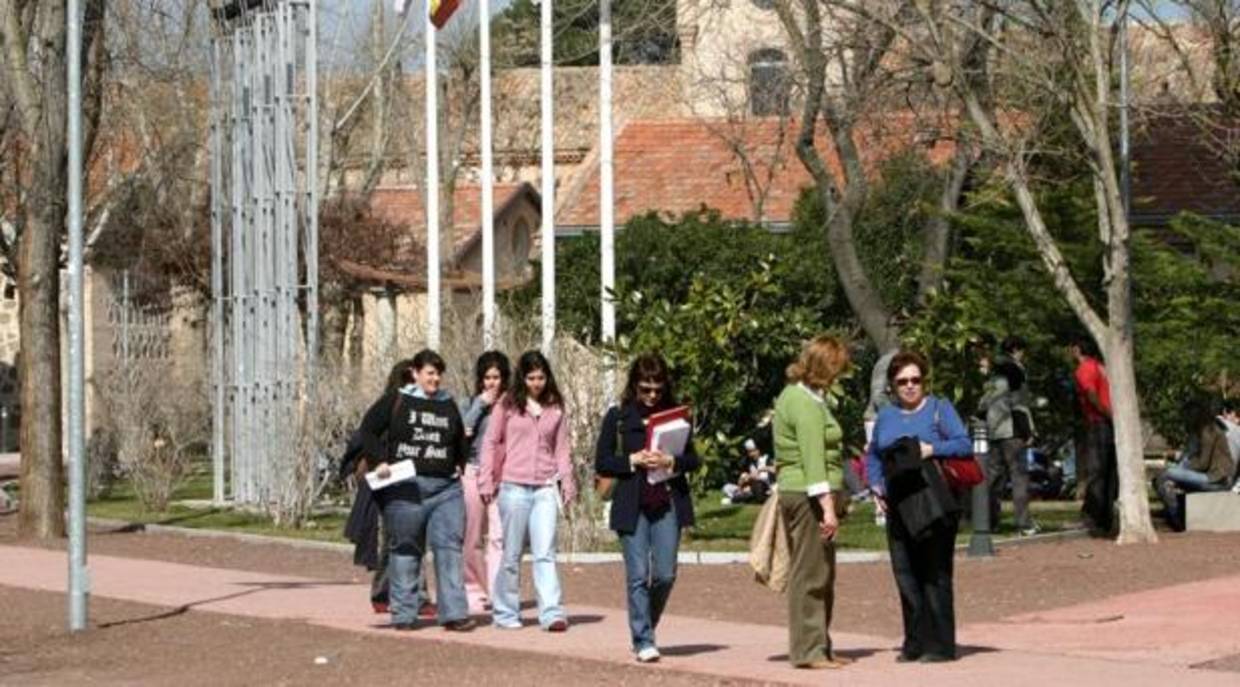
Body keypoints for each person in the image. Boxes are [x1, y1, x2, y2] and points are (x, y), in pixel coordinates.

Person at [866, 350, 972, 663]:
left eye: (916, 380)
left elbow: (963, 444)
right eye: (903, 382)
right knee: (905, 574)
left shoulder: (940, 408)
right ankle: (914, 641)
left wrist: (932, 448)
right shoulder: (885, 416)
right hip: (898, 501)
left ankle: (939, 644)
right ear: (892, 387)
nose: (910, 386)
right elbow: (873, 454)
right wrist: (875, 486)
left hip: (933, 501)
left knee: (935, 572)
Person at [594, 352, 701, 663]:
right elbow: (602, 461)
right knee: (638, 575)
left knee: (666, 574)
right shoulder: (618, 417)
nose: (652, 395)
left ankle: (646, 624)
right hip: (632, 503)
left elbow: (693, 458)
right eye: (645, 388)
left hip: (667, 500)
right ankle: (642, 639)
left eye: (657, 388)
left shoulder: (678, 418)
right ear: (634, 386)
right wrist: (632, 460)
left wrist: (672, 461)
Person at [358, 349, 474, 632]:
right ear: (415, 373)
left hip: (446, 488)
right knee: (407, 550)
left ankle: (455, 613)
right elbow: (368, 429)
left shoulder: (447, 403)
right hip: (406, 488)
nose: (435, 379)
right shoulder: (397, 400)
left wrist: (460, 461)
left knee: (449, 549)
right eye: (429, 373)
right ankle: (404, 613)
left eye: (438, 373)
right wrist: (379, 460)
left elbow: (458, 438)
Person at [478, 350, 576, 632]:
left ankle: (551, 612)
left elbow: (561, 448)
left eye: (541, 377)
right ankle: (506, 612)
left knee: (545, 551)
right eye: (531, 378)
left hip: (544, 487)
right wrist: (487, 480)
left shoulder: (555, 407)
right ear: (522, 378)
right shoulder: (507, 405)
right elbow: (491, 442)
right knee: (511, 553)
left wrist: (567, 482)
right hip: (513, 486)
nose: (537, 383)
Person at [772, 335, 852, 670]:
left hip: (805, 492)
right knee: (811, 573)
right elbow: (813, 458)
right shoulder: (803, 403)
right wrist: (828, 507)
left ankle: (820, 643)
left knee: (821, 572)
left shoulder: (803, 397)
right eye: (837, 367)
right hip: (808, 496)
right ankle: (808, 650)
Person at [459, 351, 510, 614]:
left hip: (503, 475)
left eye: (497, 377)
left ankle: (497, 590)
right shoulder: (469, 403)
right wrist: (480, 405)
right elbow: (461, 431)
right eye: (488, 378)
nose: (492, 383)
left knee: (499, 537)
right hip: (473, 471)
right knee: (473, 535)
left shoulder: (512, 406)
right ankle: (474, 590)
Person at [977, 335, 1038, 535]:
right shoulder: (1016, 371)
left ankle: (988, 521)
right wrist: (1028, 430)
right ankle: (1024, 523)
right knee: (1019, 477)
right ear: (1016, 350)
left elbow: (984, 403)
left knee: (993, 479)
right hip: (1013, 431)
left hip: (994, 431)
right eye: (1022, 351)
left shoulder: (992, 374)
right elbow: (1019, 404)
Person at [1153, 403, 1238, 530]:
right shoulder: (1203, 431)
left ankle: (1176, 517)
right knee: (1164, 478)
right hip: (1213, 477)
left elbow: (1202, 463)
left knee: (1166, 473)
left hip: (1216, 479)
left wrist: (1183, 468)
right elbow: (1191, 456)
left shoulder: (1208, 431)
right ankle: (1173, 513)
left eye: (1187, 416)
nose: (1185, 420)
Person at [1069, 337, 1116, 535]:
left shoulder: (1085, 369)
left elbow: (1091, 394)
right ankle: (1104, 517)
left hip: (1099, 422)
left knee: (1096, 471)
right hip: (1107, 422)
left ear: (1077, 348)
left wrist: (1106, 415)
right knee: (1107, 471)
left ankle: (1092, 517)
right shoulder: (1100, 367)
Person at [722, 439, 774, 504]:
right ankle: (740, 496)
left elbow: (771, 473)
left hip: (766, 487)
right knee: (726, 487)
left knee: (757, 487)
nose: (752, 454)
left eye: (754, 451)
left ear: (759, 450)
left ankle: (735, 499)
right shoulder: (749, 463)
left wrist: (760, 471)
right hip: (752, 487)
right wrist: (742, 482)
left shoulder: (766, 459)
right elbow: (745, 477)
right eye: (749, 452)